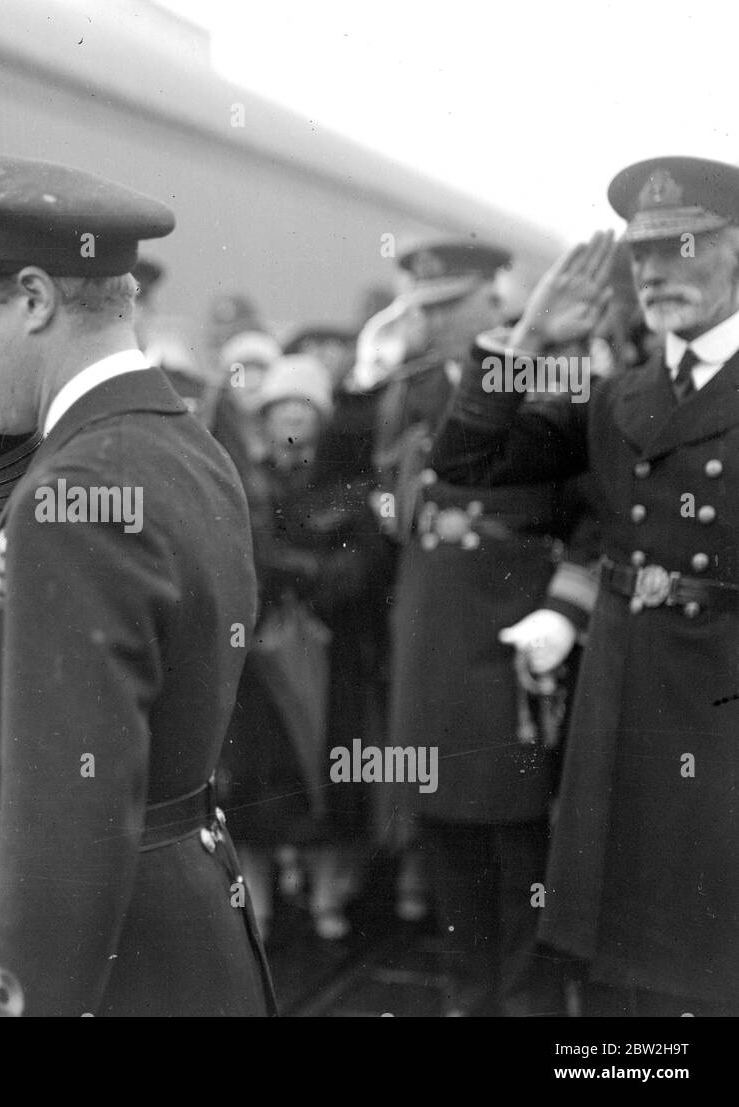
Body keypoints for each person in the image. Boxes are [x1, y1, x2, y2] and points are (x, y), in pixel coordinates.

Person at [0, 147, 273, 1016]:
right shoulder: (176, 439)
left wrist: (13, 1001)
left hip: (109, 966)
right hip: (178, 926)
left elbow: (65, 823)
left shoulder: (74, 497)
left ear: (33, 299)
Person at [430, 156, 739, 1017]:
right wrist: (526, 342)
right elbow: (469, 460)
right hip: (626, 710)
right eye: (642, 256)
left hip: (722, 717)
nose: (657, 272)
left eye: (683, 246)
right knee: (617, 978)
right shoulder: (615, 395)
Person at [379, 239, 580, 1015]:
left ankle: (527, 1005)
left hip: (511, 626)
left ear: (492, 297)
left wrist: (559, 608)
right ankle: (466, 998)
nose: (428, 321)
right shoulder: (413, 386)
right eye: (422, 307)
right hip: (433, 629)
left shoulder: (549, 376)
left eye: (444, 305)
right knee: (446, 830)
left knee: (519, 832)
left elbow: (585, 506)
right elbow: (389, 502)